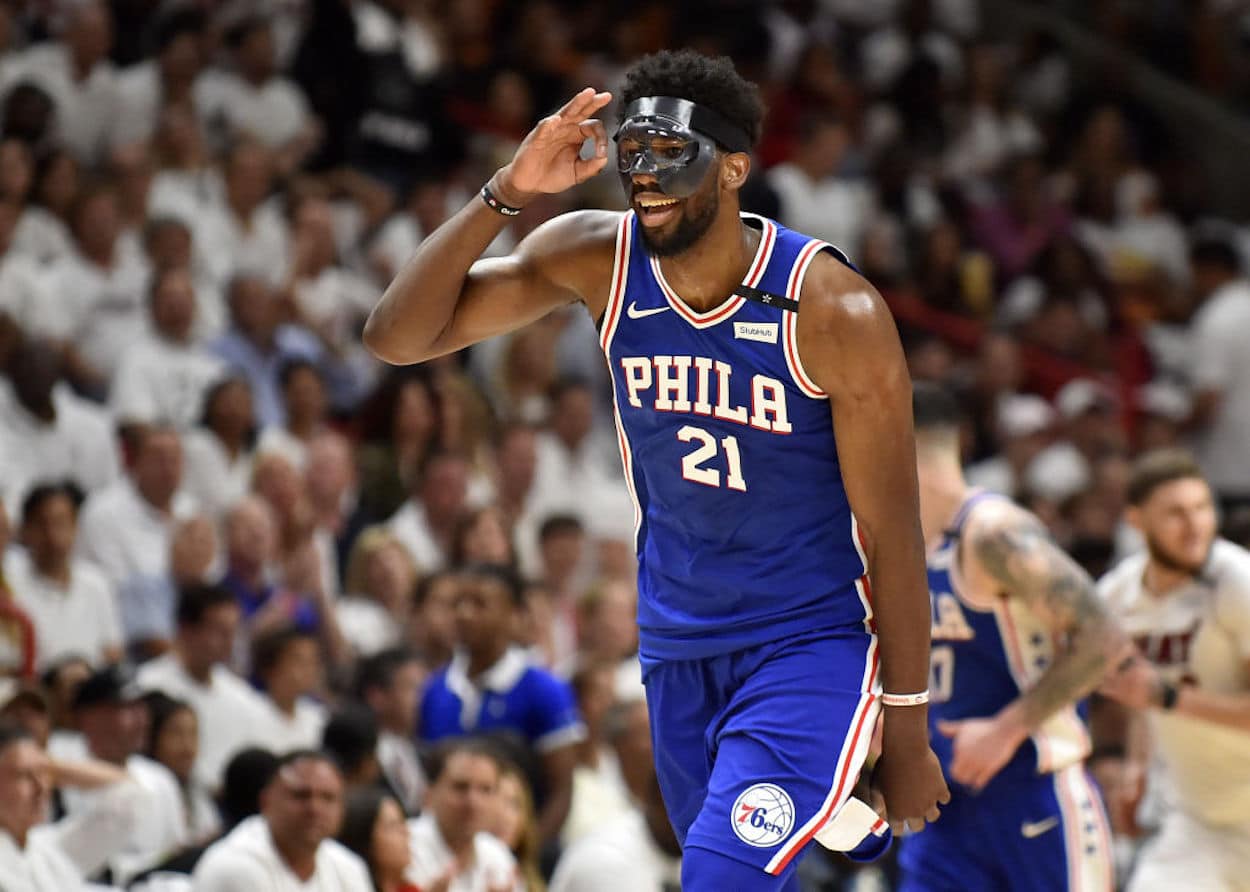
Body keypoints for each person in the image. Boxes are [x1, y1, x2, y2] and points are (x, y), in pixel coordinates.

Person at [364, 48, 947, 888]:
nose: (645, 175)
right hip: (677, 640)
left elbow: (894, 534)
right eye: (632, 153)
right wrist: (509, 191)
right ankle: (841, 804)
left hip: (808, 641)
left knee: (716, 875)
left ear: (734, 167)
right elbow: (396, 336)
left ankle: (840, 769)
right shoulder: (598, 257)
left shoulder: (831, 309)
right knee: (718, 858)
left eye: (672, 155)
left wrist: (911, 728)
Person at [898, 382, 1119, 891]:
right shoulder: (897, 544)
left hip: (1034, 796)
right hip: (943, 809)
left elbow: (1104, 637)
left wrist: (1006, 728)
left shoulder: (991, 533)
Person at [1098, 450, 1250, 891]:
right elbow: (1137, 695)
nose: (1195, 525)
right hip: (1198, 822)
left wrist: (1168, 698)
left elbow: (1154, 693)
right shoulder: (1117, 596)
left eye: (1202, 508)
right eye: (1176, 514)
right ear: (1136, 520)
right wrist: (1136, 768)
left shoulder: (1236, 581)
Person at [419, 563, 584, 843]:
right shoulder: (435, 689)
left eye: (480, 604)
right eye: (459, 603)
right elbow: (429, 781)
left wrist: (526, 855)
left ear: (514, 615)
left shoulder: (544, 689)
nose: (464, 614)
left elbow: (561, 792)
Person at [191, 750, 372, 891]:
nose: (314, 808)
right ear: (266, 801)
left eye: (327, 798)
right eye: (301, 795)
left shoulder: (348, 867)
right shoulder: (235, 866)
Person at [406, 740, 521, 892]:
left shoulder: (498, 855)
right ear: (430, 794)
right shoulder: (405, 847)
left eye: (485, 790)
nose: (473, 802)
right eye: (460, 787)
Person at [337, 787, 418, 892]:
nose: (406, 832)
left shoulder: (409, 889)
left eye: (402, 822)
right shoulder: (346, 887)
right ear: (366, 840)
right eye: (393, 825)